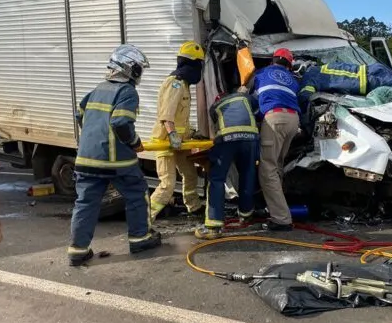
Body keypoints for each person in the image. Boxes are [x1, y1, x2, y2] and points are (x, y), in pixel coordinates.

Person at [69, 44, 161, 265]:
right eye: (139, 68)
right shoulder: (127, 92)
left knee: (85, 203)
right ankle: (140, 238)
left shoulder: (96, 90)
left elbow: (79, 115)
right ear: (129, 68)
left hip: (86, 158)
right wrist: (135, 142)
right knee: (137, 193)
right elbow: (120, 122)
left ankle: (77, 250)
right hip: (116, 160)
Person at [148, 41, 206, 220]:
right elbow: (167, 113)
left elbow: (181, 118)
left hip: (180, 142)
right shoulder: (176, 83)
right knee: (167, 184)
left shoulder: (185, 84)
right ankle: (144, 219)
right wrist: (172, 134)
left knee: (190, 175)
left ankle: (193, 207)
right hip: (165, 141)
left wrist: (191, 133)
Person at [194, 89, 260, 240]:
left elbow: (215, 125)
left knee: (217, 178)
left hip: (227, 138)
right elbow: (257, 109)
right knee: (248, 173)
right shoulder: (245, 97)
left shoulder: (215, 106)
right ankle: (246, 214)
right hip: (250, 138)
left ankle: (213, 226)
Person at [251, 48, 301, 232]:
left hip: (275, 119)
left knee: (267, 170)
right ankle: (275, 208)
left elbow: (254, 99)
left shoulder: (263, 73)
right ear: (289, 64)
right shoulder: (293, 81)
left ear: (273, 61)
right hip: (293, 120)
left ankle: (281, 219)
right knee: (277, 165)